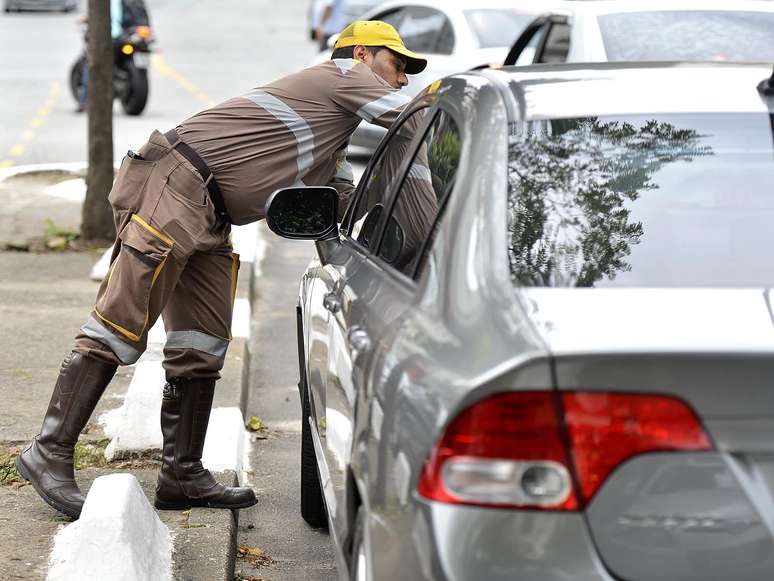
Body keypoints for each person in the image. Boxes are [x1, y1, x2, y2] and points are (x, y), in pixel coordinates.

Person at [16, 20, 428, 520]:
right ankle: (50, 451)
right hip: (175, 186)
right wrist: (462, 92)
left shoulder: (332, 137)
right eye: (398, 64)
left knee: (203, 344)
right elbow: (414, 118)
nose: (402, 77)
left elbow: (339, 205)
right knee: (119, 325)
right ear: (363, 53)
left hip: (212, 214)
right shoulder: (342, 73)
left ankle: (182, 474)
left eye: (408, 71)